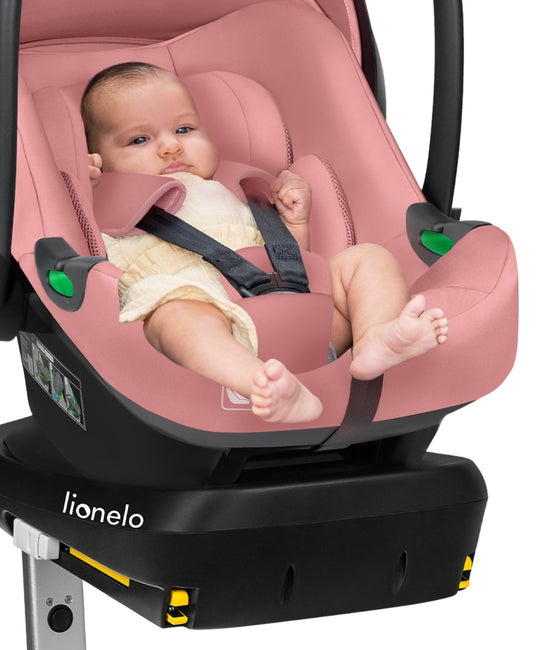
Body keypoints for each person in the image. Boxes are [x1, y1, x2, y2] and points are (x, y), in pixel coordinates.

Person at [81, 62, 448, 424]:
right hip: (214, 332)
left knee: (368, 258)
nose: (171, 146)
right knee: (172, 317)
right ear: (98, 160)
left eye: (184, 129)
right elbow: (81, 233)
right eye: (140, 140)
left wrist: (294, 224)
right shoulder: (107, 205)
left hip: (305, 325)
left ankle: (375, 338)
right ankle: (261, 384)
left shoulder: (239, 190)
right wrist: (87, 186)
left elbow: (291, 265)